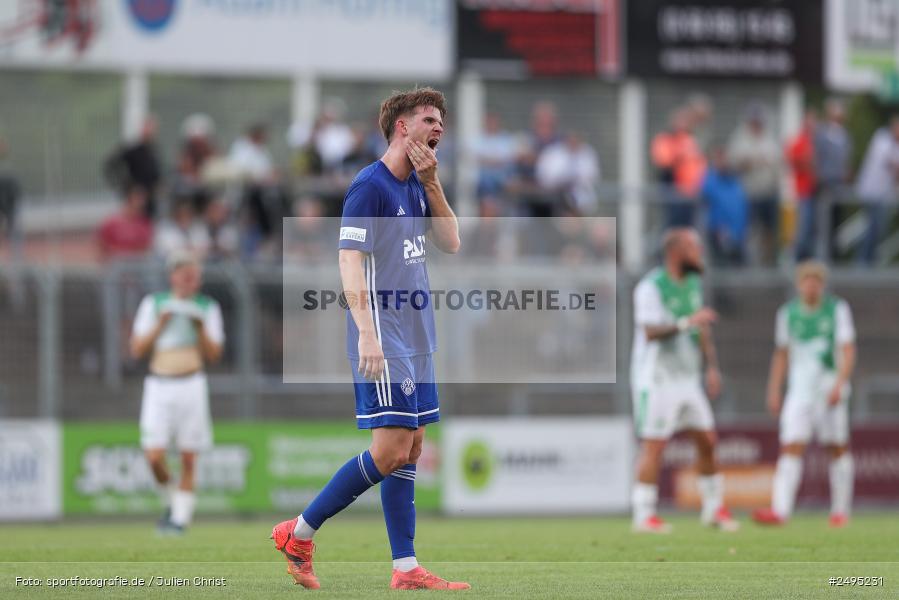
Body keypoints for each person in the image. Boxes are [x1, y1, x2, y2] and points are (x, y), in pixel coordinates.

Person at [270, 88, 468, 591]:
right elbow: (348, 259)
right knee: (388, 450)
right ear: (403, 126)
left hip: (418, 334)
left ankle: (405, 569)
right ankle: (299, 532)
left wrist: (434, 182)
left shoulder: (419, 184)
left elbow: (451, 243)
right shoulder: (369, 185)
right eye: (429, 119)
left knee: (413, 445)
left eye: (441, 120)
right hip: (383, 330)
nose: (439, 127)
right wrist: (365, 334)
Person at [630, 228, 738, 534]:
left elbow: (702, 329)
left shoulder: (693, 283)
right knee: (654, 445)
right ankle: (643, 515)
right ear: (676, 251)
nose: (699, 254)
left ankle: (713, 509)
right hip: (656, 377)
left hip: (688, 379)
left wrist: (711, 368)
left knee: (707, 441)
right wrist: (686, 322)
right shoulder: (650, 287)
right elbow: (650, 332)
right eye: (694, 248)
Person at [753, 261, 856, 527]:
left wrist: (840, 384)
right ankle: (780, 510)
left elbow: (847, 350)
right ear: (799, 285)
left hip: (829, 388)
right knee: (790, 446)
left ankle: (840, 511)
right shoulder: (787, 314)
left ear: (822, 285)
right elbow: (782, 353)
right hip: (799, 392)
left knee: (836, 447)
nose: (811, 286)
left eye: (816, 282)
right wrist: (774, 389)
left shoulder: (837, 309)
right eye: (807, 281)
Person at [129, 251, 225, 534]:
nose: (190, 283)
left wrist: (200, 329)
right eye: (185, 277)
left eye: (194, 278)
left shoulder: (207, 307)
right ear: (173, 277)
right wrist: (161, 323)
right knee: (154, 456)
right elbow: (137, 349)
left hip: (191, 384)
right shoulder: (154, 304)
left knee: (188, 456)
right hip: (159, 385)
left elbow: (214, 353)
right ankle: (173, 501)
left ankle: (179, 522)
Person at [728, 105, 780, 265]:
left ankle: (768, 263)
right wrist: (753, 161)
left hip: (768, 193)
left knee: (769, 231)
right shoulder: (740, 138)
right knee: (748, 231)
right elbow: (734, 163)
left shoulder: (769, 139)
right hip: (747, 194)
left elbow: (777, 164)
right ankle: (746, 263)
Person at [854, 117, 899, 265]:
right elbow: (891, 165)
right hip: (871, 192)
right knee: (872, 228)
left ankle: (869, 261)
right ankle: (863, 262)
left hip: (884, 196)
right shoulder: (881, 138)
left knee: (878, 229)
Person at [652, 108, 706, 227]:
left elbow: (700, 164)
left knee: (688, 226)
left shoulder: (690, 140)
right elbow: (663, 161)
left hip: (690, 192)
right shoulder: (665, 139)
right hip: (673, 190)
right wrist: (680, 155)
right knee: (672, 225)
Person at [815, 99, 853, 259]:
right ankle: (824, 257)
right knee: (824, 224)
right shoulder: (822, 134)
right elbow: (818, 159)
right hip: (826, 185)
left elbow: (846, 160)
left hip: (839, 186)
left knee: (837, 224)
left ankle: (835, 257)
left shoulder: (844, 135)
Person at [104, 115, 162, 218]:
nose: (149, 132)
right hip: (136, 202)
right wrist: (128, 186)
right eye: (147, 128)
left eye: (152, 129)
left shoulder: (155, 151)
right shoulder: (133, 150)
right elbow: (111, 165)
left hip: (150, 202)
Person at [702, 145, 748, 266]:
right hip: (718, 232)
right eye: (719, 159)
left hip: (738, 232)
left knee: (738, 266)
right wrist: (719, 228)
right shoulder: (710, 180)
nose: (722, 162)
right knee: (720, 266)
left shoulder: (734, 180)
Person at [787, 109, 818, 261]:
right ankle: (797, 260)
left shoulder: (816, 141)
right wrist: (808, 163)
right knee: (803, 228)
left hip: (816, 192)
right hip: (803, 191)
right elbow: (793, 161)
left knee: (814, 229)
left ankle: (809, 259)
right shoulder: (799, 141)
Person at [96, 184, 154, 261]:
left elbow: (145, 247)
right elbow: (101, 244)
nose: (141, 202)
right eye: (137, 197)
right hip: (115, 263)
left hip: (136, 264)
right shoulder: (112, 222)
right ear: (128, 198)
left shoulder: (144, 223)